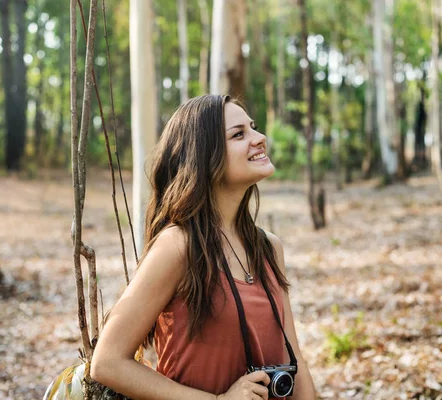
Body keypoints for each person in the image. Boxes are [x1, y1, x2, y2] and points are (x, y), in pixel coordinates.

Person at [90, 95, 316, 400]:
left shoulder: (268, 248)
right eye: (239, 134)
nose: (259, 138)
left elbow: (295, 361)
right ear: (205, 157)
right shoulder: (178, 246)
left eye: (254, 128)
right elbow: (107, 362)